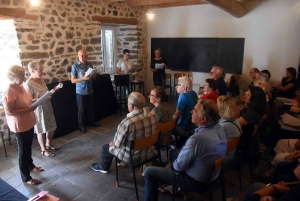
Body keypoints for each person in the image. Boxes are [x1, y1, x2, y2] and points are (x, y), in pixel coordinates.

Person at [143, 99, 227, 201]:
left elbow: (178, 167)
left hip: (197, 181)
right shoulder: (219, 128)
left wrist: (170, 168)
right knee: (174, 153)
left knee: (149, 172)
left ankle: (166, 186)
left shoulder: (197, 139)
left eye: (195, 111)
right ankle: (170, 186)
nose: (192, 111)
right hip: (212, 174)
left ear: (203, 119)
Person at [91, 92, 158, 173]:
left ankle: (103, 167)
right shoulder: (153, 114)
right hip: (149, 152)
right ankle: (120, 161)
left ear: (131, 106)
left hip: (133, 157)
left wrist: (112, 143)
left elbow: (117, 143)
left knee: (106, 148)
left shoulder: (127, 122)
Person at [2, 65, 42, 185]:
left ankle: (30, 165)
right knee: (23, 150)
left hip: (27, 121)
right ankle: (26, 177)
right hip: (19, 124)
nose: (25, 77)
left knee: (28, 145)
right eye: (22, 75)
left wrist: (34, 102)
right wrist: (29, 109)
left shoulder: (20, 86)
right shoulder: (9, 91)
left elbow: (26, 102)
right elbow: (9, 111)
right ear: (14, 77)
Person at [24, 61, 58, 157]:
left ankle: (49, 144)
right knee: (41, 129)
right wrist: (41, 98)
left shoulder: (41, 79)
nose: (42, 71)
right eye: (40, 70)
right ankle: (43, 149)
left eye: (42, 69)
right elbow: (30, 100)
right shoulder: (29, 83)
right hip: (38, 109)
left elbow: (46, 92)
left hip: (47, 106)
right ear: (32, 71)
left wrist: (52, 91)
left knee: (51, 127)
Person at [71, 49, 100, 134]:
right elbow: (72, 81)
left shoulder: (90, 64)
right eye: (81, 55)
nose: (83, 57)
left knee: (91, 107)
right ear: (78, 56)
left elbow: (94, 77)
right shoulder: (75, 66)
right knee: (81, 110)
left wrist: (94, 74)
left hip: (90, 89)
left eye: (84, 55)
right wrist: (83, 78)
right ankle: (81, 126)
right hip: (80, 91)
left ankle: (92, 122)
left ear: (87, 56)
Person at [238, 86, 267, 166]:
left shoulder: (251, 114)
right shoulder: (255, 110)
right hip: (248, 139)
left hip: (241, 141)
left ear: (254, 99)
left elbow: (235, 125)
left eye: (248, 95)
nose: (245, 96)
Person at [217, 96, 241, 164]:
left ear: (222, 110)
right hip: (231, 153)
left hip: (223, 158)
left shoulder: (224, 126)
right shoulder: (235, 119)